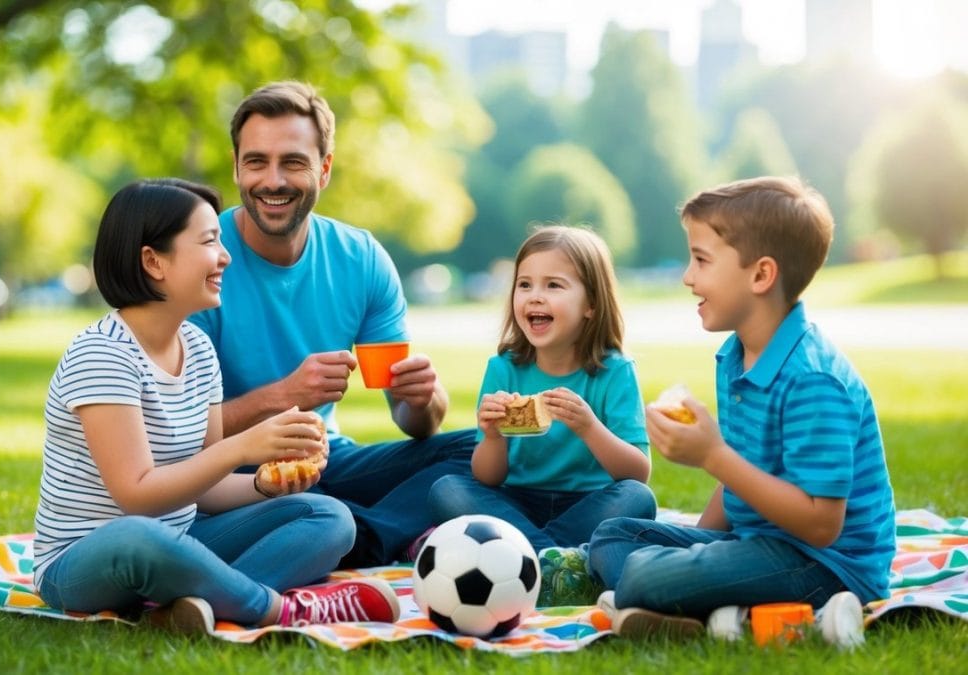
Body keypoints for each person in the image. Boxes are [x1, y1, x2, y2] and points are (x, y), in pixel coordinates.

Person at [33, 178, 400, 636]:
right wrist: (242, 447)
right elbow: (136, 496)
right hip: (84, 559)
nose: (226, 257)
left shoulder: (199, 349)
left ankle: (191, 606)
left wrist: (267, 485)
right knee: (139, 534)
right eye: (209, 242)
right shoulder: (102, 355)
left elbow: (205, 490)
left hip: (181, 536)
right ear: (153, 261)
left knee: (328, 515)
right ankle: (277, 610)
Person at [587, 176, 895, 646]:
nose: (687, 277)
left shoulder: (813, 379)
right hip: (758, 545)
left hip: (826, 565)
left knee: (643, 576)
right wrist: (697, 553)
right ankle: (701, 610)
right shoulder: (736, 356)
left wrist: (712, 456)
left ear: (761, 275)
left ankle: (688, 604)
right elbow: (742, 474)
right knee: (611, 538)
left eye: (701, 260)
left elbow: (821, 525)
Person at [188, 80, 476, 567]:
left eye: (293, 162)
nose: (273, 181)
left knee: (476, 453)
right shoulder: (201, 259)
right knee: (307, 505)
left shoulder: (360, 258)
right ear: (236, 166)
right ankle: (357, 531)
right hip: (225, 473)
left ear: (324, 169)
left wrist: (424, 399)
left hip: (323, 459)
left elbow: (413, 421)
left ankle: (349, 535)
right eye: (257, 162)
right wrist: (284, 395)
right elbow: (175, 432)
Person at [428, 225, 657, 606]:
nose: (535, 296)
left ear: (591, 304)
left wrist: (589, 427)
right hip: (517, 502)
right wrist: (493, 435)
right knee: (447, 490)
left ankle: (526, 557)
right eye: (525, 284)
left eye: (553, 285)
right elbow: (487, 477)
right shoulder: (504, 368)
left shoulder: (614, 371)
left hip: (589, 503)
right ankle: (559, 563)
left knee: (637, 499)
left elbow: (637, 473)